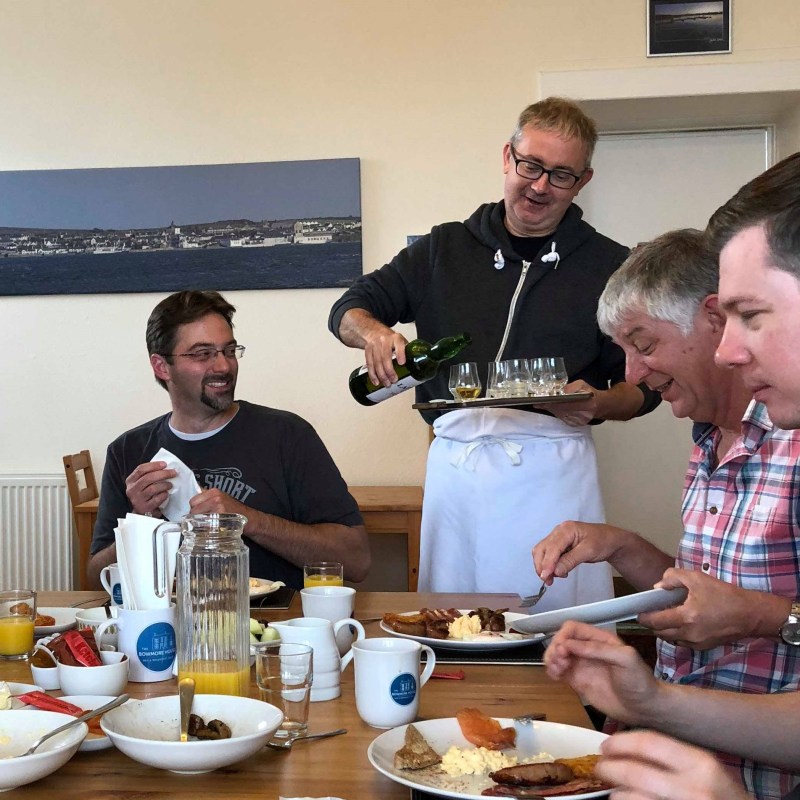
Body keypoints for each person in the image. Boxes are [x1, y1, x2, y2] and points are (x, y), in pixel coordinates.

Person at [328, 97, 659, 604]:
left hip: (553, 476)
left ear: (583, 181)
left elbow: (647, 385)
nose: (540, 186)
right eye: (531, 165)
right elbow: (349, 308)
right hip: (456, 475)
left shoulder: (610, 266)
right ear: (508, 157)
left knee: (552, 617)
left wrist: (597, 402)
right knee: (453, 616)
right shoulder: (442, 249)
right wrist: (373, 334)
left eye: (561, 175)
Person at [533, 227, 800, 799]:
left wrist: (764, 616)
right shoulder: (708, 437)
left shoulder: (792, 436)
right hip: (674, 759)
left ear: (713, 321)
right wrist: (623, 547)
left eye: (644, 344)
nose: (632, 374)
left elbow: (750, 610)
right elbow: (704, 601)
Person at [87, 290, 370, 590]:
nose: (223, 366)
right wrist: (140, 524)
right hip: (168, 619)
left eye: (229, 350)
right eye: (203, 354)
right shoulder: (127, 451)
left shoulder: (288, 436)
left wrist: (247, 519)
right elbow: (93, 582)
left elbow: (356, 560)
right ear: (161, 367)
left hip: (273, 618)